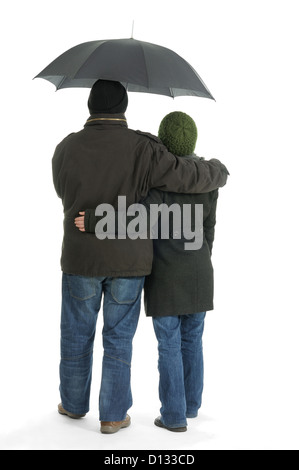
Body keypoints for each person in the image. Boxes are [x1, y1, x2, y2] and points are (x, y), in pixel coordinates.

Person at [53, 79, 229, 434]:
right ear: (123, 108)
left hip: (80, 259)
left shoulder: (65, 148)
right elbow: (185, 174)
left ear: (90, 106)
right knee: (118, 339)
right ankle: (114, 415)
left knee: (75, 334)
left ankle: (73, 406)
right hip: (129, 264)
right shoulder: (144, 149)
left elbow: (62, 191)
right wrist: (218, 171)